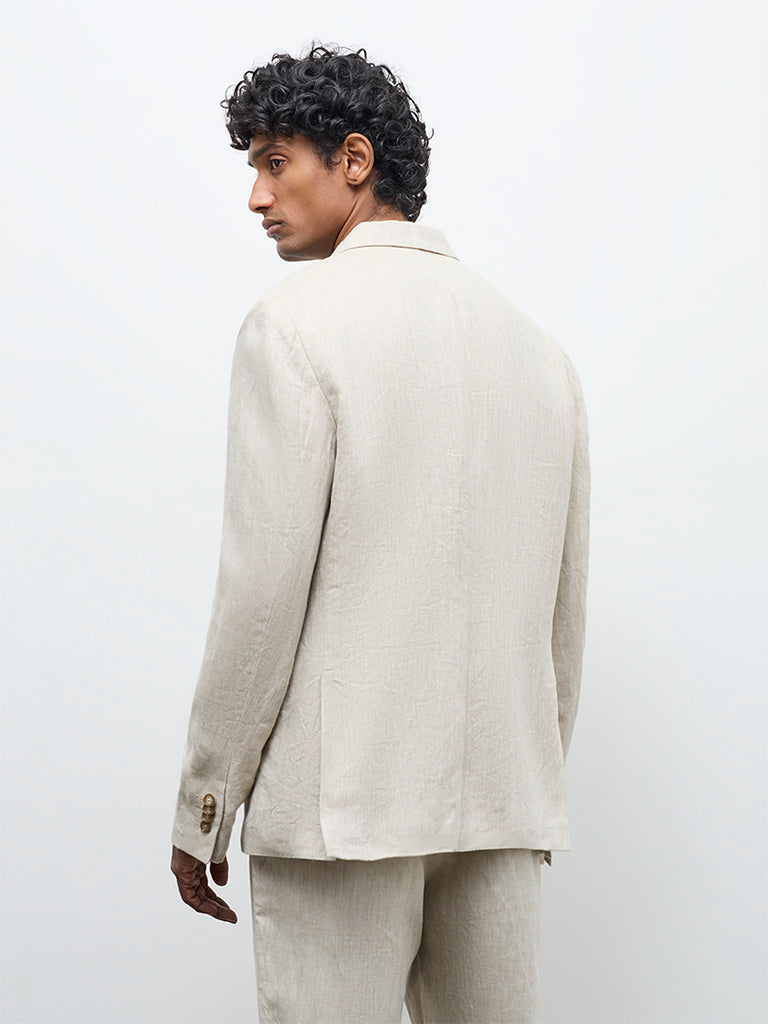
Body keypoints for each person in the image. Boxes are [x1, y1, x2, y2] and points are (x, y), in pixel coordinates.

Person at [170, 42, 590, 1024]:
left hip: (340, 811)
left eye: (275, 163)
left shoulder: (295, 327)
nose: (256, 196)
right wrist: (529, 781)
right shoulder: (541, 356)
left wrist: (206, 801)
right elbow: (561, 616)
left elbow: (261, 594)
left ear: (354, 160)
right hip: (503, 805)